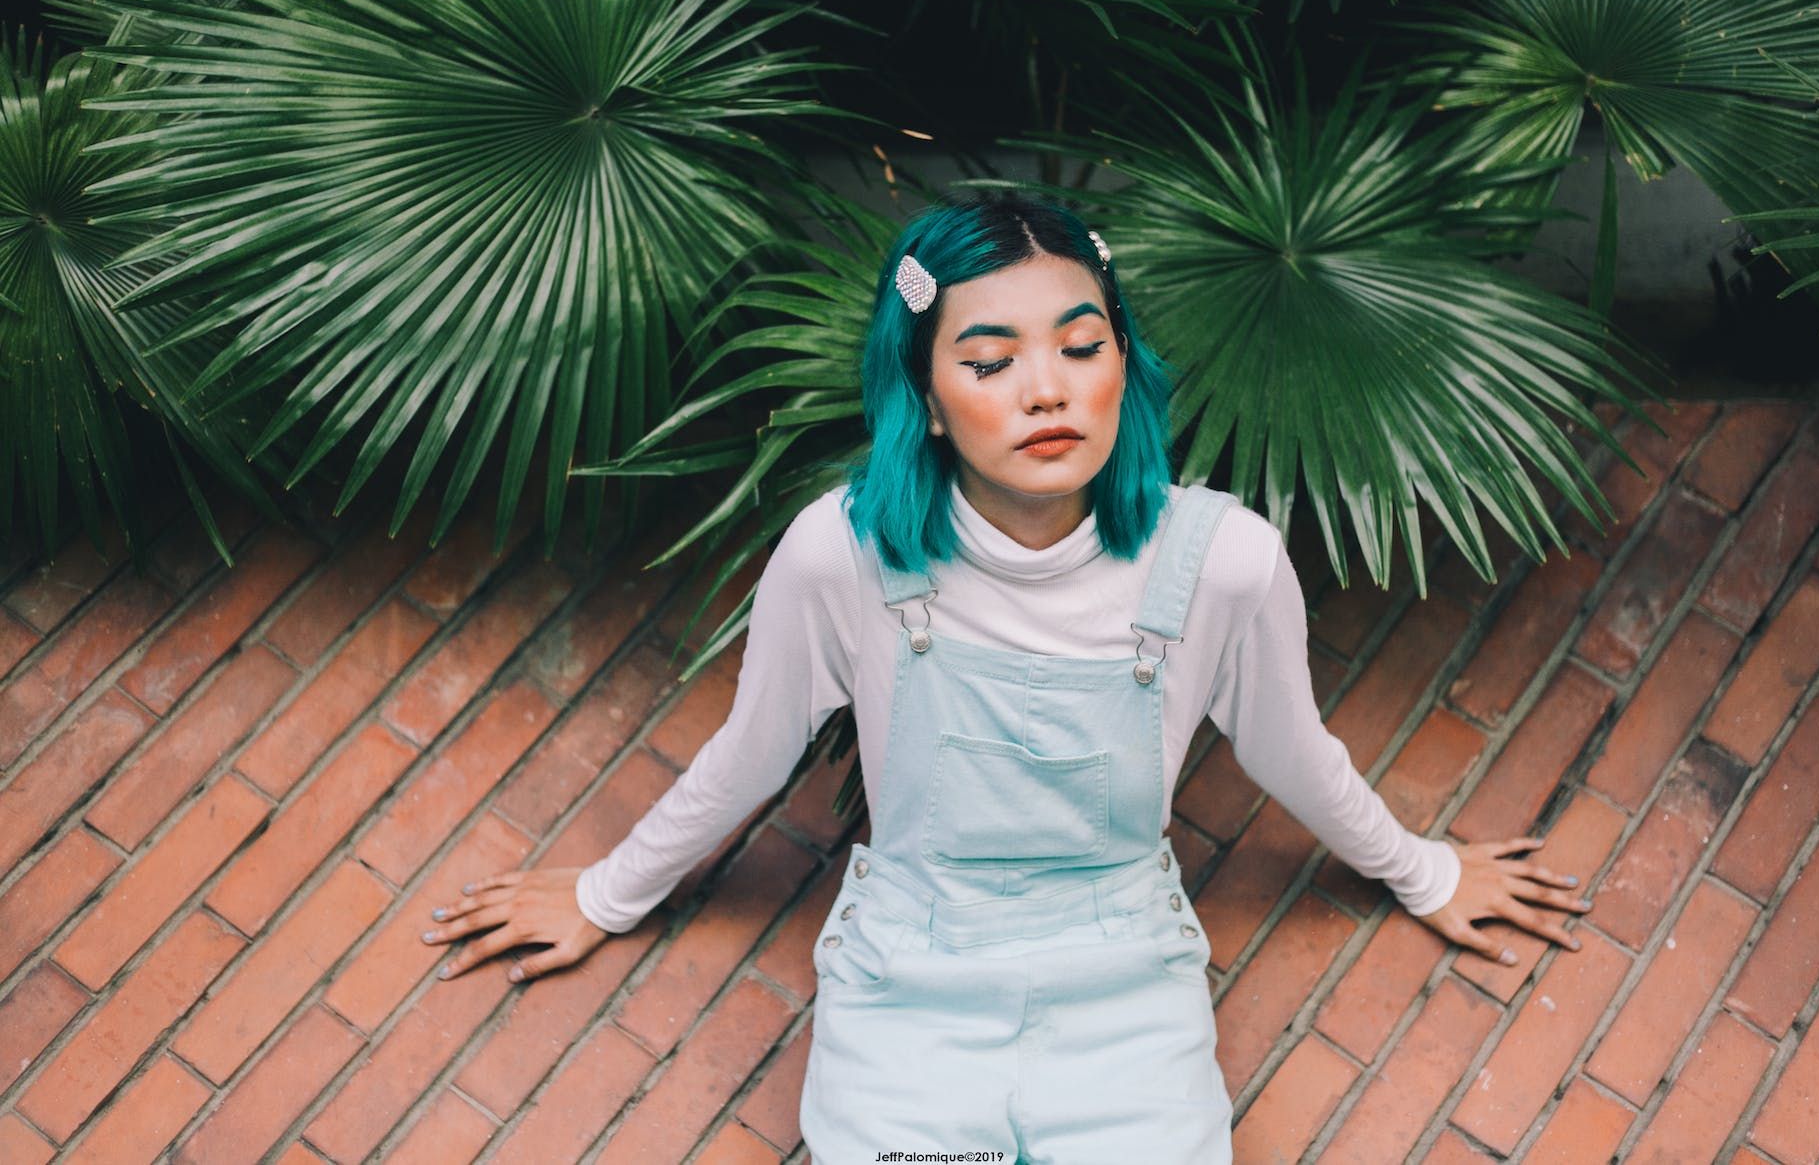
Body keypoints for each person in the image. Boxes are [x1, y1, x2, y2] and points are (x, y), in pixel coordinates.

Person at [418, 190, 1590, 1161]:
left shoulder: (1219, 560)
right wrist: (604, 893)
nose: (1046, 389)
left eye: (1082, 348)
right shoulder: (845, 553)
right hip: (912, 968)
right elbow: (752, 749)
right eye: (990, 361)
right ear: (925, 397)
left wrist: (1421, 871)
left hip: (1123, 971)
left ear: (1120, 364)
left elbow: (1289, 748)